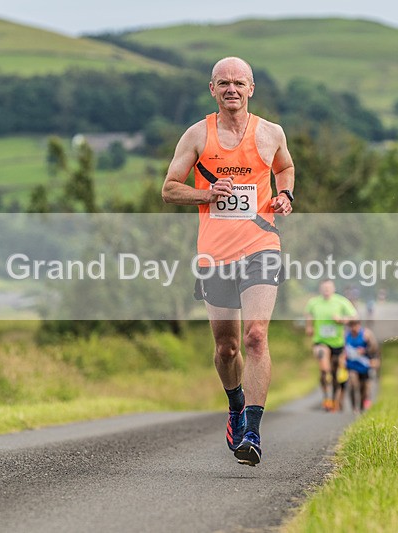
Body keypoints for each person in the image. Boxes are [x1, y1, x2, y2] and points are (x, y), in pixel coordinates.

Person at [161, 57, 295, 466]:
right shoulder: (197, 135)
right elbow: (169, 189)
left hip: (261, 246)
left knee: (255, 336)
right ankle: (236, 404)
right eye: (224, 83)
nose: (231, 89)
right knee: (226, 347)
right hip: (215, 254)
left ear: (251, 88)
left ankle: (252, 432)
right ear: (212, 89)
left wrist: (285, 195)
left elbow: (285, 167)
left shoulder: (271, 133)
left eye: (239, 83)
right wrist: (206, 194)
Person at [304, 279, 357, 412]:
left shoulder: (341, 301)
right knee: (324, 369)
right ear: (320, 289)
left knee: (335, 374)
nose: (326, 290)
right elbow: (308, 314)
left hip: (337, 342)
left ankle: (334, 399)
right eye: (324, 288)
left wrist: (342, 320)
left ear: (334, 289)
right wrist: (309, 326)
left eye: (329, 288)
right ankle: (326, 398)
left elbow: (354, 317)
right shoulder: (313, 302)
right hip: (320, 341)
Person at [344, 319, 381, 413]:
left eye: (355, 325)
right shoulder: (347, 336)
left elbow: (375, 349)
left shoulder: (366, 334)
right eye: (351, 326)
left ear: (359, 325)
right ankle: (353, 407)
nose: (353, 328)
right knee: (352, 383)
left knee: (364, 388)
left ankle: (361, 407)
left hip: (365, 365)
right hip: (352, 365)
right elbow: (343, 350)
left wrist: (365, 351)